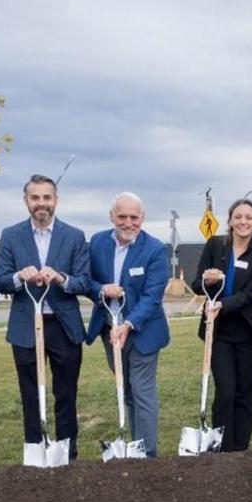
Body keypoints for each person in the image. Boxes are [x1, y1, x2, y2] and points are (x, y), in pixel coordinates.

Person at [0, 174, 90, 460]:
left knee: (65, 393)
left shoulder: (74, 236)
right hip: (25, 327)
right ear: (26, 201)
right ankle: (36, 452)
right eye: (35, 197)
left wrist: (61, 279)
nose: (41, 203)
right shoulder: (11, 235)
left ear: (56, 200)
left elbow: (84, 282)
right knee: (30, 394)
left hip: (63, 327)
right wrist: (17, 277)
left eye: (47, 197)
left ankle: (67, 451)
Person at [85, 192, 170, 458]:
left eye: (134, 217)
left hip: (143, 332)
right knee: (127, 390)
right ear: (112, 216)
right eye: (122, 216)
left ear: (142, 218)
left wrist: (129, 324)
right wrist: (101, 290)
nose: (128, 222)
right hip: (110, 331)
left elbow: (153, 295)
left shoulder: (154, 249)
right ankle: (132, 446)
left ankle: (146, 455)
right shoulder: (97, 243)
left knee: (142, 391)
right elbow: (85, 281)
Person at [190, 198, 252, 452]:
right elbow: (197, 285)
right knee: (225, 392)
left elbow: (250, 294)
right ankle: (223, 449)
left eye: (248, 217)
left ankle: (240, 450)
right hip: (219, 332)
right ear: (229, 221)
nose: (243, 222)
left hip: (248, 331)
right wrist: (209, 280)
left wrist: (222, 305)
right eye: (238, 217)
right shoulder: (216, 245)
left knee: (246, 393)